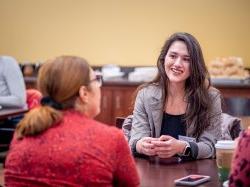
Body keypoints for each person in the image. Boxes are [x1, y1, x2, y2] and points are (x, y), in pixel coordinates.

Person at [4, 56, 139, 187]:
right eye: (96, 80)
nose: (99, 86)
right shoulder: (111, 139)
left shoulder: (23, 132)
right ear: (84, 93)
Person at [129, 32, 222, 160]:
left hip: (194, 173)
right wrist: (141, 146)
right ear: (164, 59)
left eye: (186, 59)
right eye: (173, 56)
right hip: (153, 173)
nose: (177, 64)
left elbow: (211, 147)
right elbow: (135, 140)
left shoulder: (211, 97)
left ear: (195, 65)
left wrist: (182, 147)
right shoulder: (145, 95)